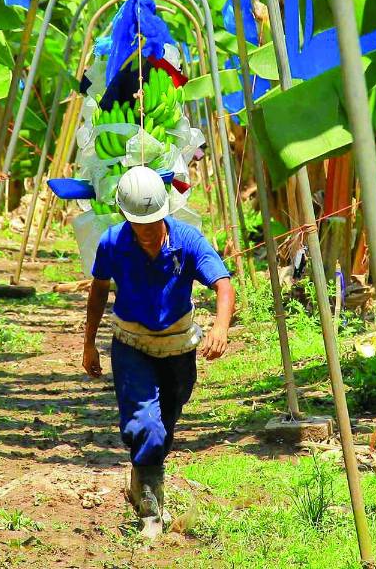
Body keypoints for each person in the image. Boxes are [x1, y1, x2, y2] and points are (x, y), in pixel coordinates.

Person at [82, 166, 235, 538]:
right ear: (125, 217)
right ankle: (151, 510)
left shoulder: (188, 240)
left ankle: (140, 477)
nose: (149, 234)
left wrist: (220, 327)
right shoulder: (112, 242)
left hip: (179, 345)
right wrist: (89, 343)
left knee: (166, 421)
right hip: (132, 344)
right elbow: (98, 290)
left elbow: (223, 283)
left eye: (154, 224)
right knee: (145, 423)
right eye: (141, 226)